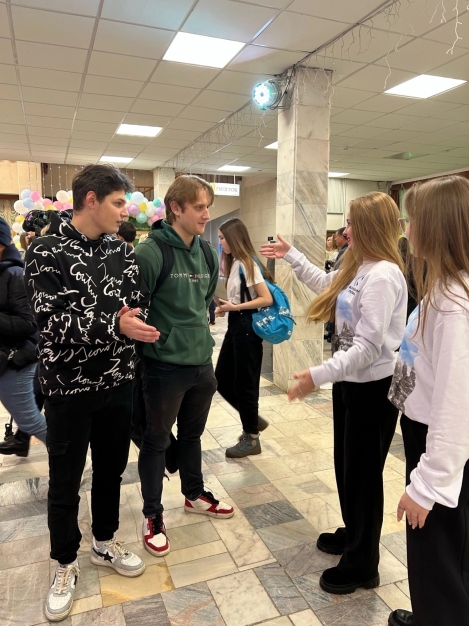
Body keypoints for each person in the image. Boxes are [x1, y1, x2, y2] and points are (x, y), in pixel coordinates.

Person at [24, 164, 159, 623]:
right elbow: (51, 322)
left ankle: (103, 541)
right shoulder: (45, 251)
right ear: (90, 200)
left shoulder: (121, 251)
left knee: (111, 471)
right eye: (118, 203)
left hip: (118, 383)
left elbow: (136, 304)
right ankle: (64, 561)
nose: (125, 212)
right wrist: (116, 325)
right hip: (68, 388)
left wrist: (136, 324)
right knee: (65, 479)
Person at [261, 192, 407, 595]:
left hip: (373, 389)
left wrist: (318, 374)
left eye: (352, 223)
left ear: (371, 227)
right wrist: (292, 256)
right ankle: (354, 532)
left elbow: (369, 347)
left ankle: (363, 564)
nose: (346, 230)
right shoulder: (359, 266)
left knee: (363, 476)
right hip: (352, 385)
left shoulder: (383, 276)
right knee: (347, 467)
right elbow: (326, 283)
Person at [135, 174, 234, 559]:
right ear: (175, 208)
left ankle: (193, 494)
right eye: (199, 207)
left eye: (208, 206)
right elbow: (135, 306)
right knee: (156, 440)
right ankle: (153, 515)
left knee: (192, 436)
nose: (206, 214)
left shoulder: (206, 253)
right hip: (163, 366)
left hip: (201, 363)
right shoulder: (151, 252)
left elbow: (205, 299)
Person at [387, 175, 469, 626]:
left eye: (412, 219)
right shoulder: (444, 286)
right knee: (440, 559)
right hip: (424, 433)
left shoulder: (454, 304)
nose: (406, 228)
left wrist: (428, 485)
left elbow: (457, 405)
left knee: (437, 561)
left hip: (438, 446)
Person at [215, 218, 273, 458]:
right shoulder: (236, 262)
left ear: (234, 238)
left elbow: (266, 298)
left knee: (245, 384)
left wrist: (235, 308)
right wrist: (227, 307)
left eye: (222, 238)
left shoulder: (247, 263)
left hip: (247, 329)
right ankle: (253, 420)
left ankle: (252, 437)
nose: (220, 242)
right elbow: (240, 297)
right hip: (236, 327)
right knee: (221, 378)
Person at [0, 217, 47, 456]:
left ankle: (73, 457)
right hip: (8, 358)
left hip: (16, 359)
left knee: (30, 420)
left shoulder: (15, 274)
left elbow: (29, 323)